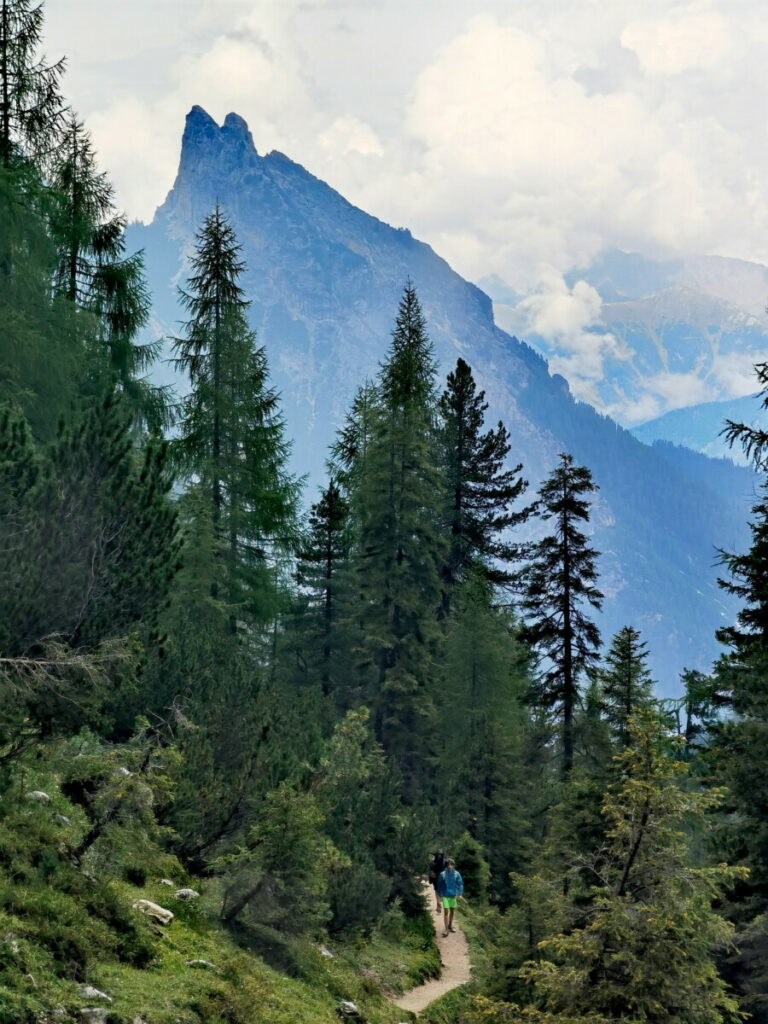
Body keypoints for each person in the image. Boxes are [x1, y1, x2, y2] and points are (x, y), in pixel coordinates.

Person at [437, 857, 464, 937]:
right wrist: (440, 894)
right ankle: (446, 929)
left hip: (453, 896)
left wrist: (460, 894)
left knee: (452, 911)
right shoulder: (442, 874)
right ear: (446, 865)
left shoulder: (456, 874)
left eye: (451, 864)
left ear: (453, 865)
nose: (449, 866)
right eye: (448, 865)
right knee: (446, 912)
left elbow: (460, 884)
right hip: (445, 895)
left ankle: (450, 925)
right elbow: (439, 885)